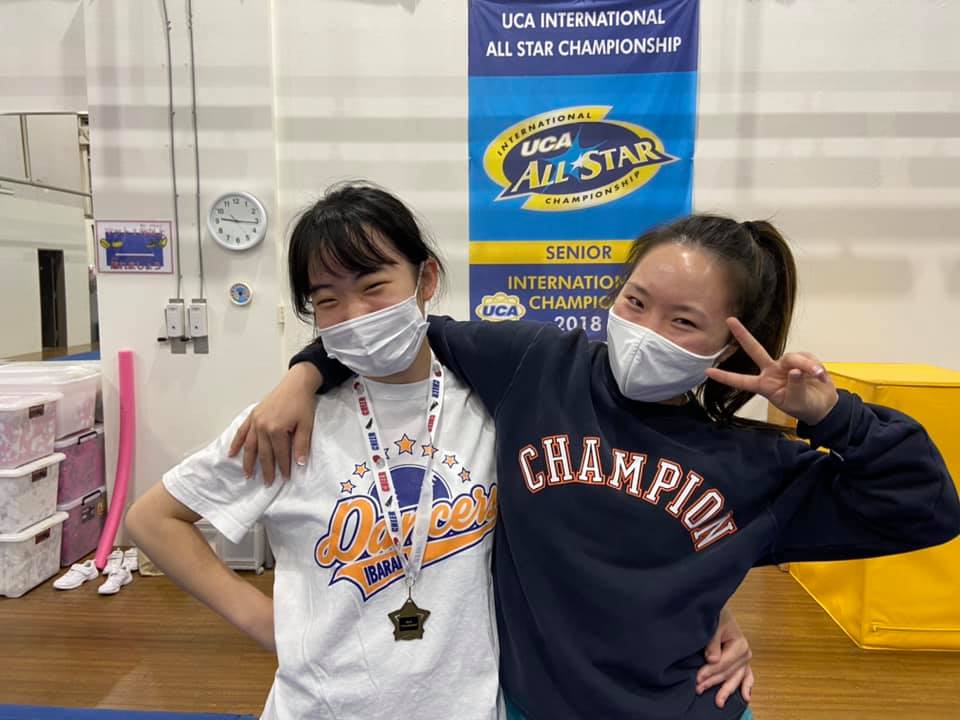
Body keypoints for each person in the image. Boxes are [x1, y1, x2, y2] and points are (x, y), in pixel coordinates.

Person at [235, 209, 960, 720]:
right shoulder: (537, 366)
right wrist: (304, 372)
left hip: (687, 707)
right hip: (528, 706)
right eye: (635, 301)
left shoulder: (757, 464)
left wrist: (833, 416)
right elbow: (391, 333)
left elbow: (925, 505)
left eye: (684, 321)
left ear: (731, 343)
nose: (645, 331)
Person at [124, 185, 750, 720]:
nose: (354, 315)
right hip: (324, 705)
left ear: (425, 279)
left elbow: (601, 521)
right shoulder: (289, 424)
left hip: (469, 703)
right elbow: (154, 520)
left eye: (374, 286)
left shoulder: (494, 406)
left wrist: (709, 610)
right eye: (327, 300)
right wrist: (266, 625)